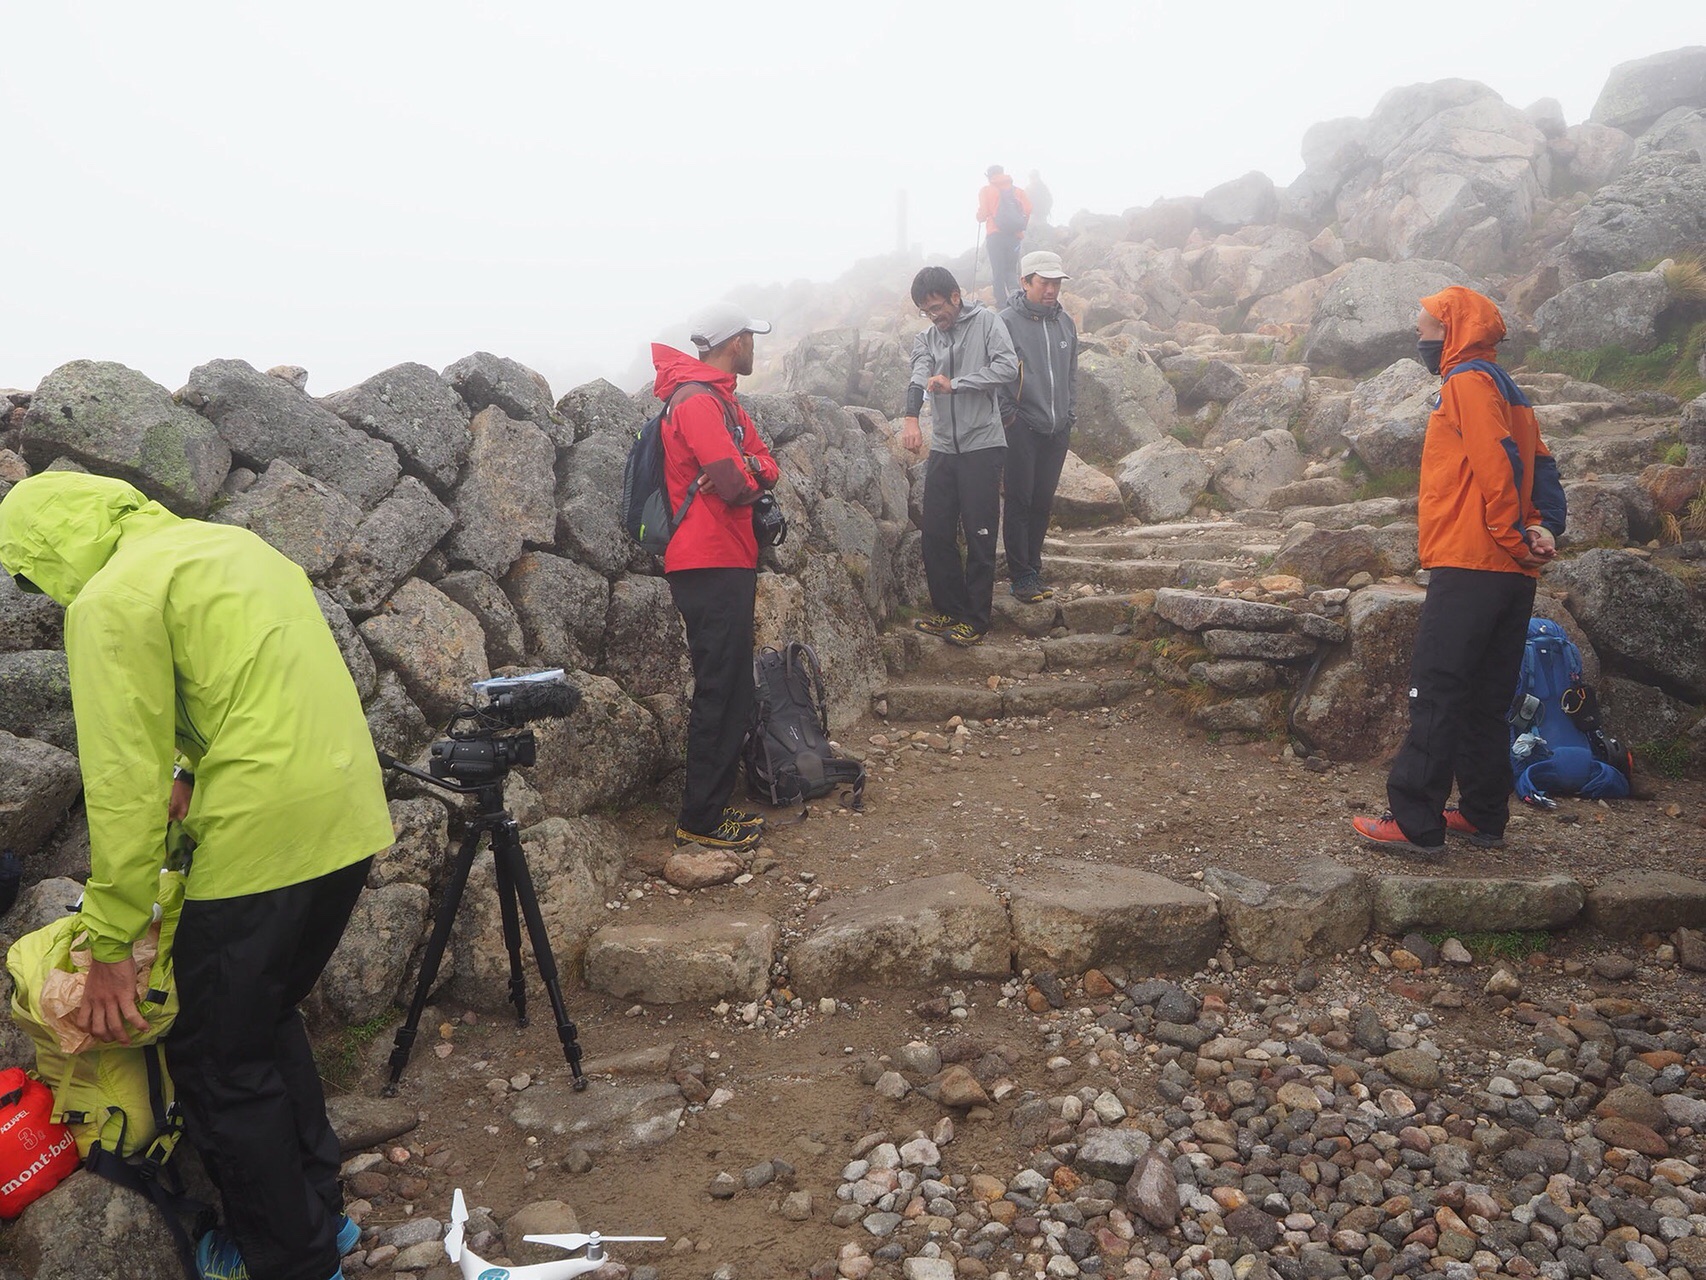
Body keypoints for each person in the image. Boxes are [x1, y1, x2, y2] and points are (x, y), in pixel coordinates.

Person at [0, 471, 394, 1280]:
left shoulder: (111, 598)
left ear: (48, 547)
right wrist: (193, 763)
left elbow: (122, 785)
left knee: (215, 1058)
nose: (36, 590)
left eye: (28, 572)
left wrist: (110, 938)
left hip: (259, 836)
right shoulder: (231, 548)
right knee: (267, 1014)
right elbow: (244, 685)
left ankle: (287, 1260)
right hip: (348, 814)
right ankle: (319, 1218)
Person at [1351, 286, 1566, 856]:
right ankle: (1482, 815)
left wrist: (1512, 535)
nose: (1419, 336)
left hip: (1473, 558)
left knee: (1436, 688)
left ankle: (1416, 823)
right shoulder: (1507, 386)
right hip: (1512, 574)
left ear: (1452, 330)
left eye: (1425, 327)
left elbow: (1498, 464)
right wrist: (1547, 526)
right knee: (1485, 697)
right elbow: (1540, 460)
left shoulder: (1466, 382)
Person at [654, 301, 781, 852]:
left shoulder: (721, 400)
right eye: (751, 336)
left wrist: (745, 467)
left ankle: (710, 808)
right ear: (736, 342)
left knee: (731, 686)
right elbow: (733, 484)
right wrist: (742, 469)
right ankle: (699, 817)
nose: (755, 345)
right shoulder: (699, 403)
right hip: (707, 559)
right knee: (719, 686)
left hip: (728, 554)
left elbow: (763, 464)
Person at [901, 265, 1020, 648]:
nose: (935, 316)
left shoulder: (987, 322)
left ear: (955, 296)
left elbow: (1006, 367)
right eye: (926, 311)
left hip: (982, 443)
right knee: (935, 532)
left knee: (980, 531)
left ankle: (976, 619)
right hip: (944, 447)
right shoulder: (926, 337)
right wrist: (910, 419)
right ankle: (949, 611)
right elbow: (918, 375)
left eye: (937, 307)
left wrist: (958, 385)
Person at [999, 250, 1079, 603]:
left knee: (1043, 502)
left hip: (1056, 428)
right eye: (1044, 282)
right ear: (1025, 282)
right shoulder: (1004, 322)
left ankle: (1034, 566)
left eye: (1056, 283)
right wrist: (1010, 416)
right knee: (1019, 500)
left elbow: (1071, 375)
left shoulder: (1065, 323)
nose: (1051, 289)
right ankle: (1020, 576)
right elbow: (996, 375)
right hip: (1022, 426)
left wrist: (1069, 415)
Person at [976, 165, 1032, 306]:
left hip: (995, 236)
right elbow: (1028, 209)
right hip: (1014, 237)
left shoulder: (986, 191)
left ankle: (1002, 305)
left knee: (998, 271)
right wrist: (1021, 225)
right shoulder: (1018, 191)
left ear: (989, 176)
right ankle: (1016, 300)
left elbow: (982, 214)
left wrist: (979, 216)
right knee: (1011, 270)